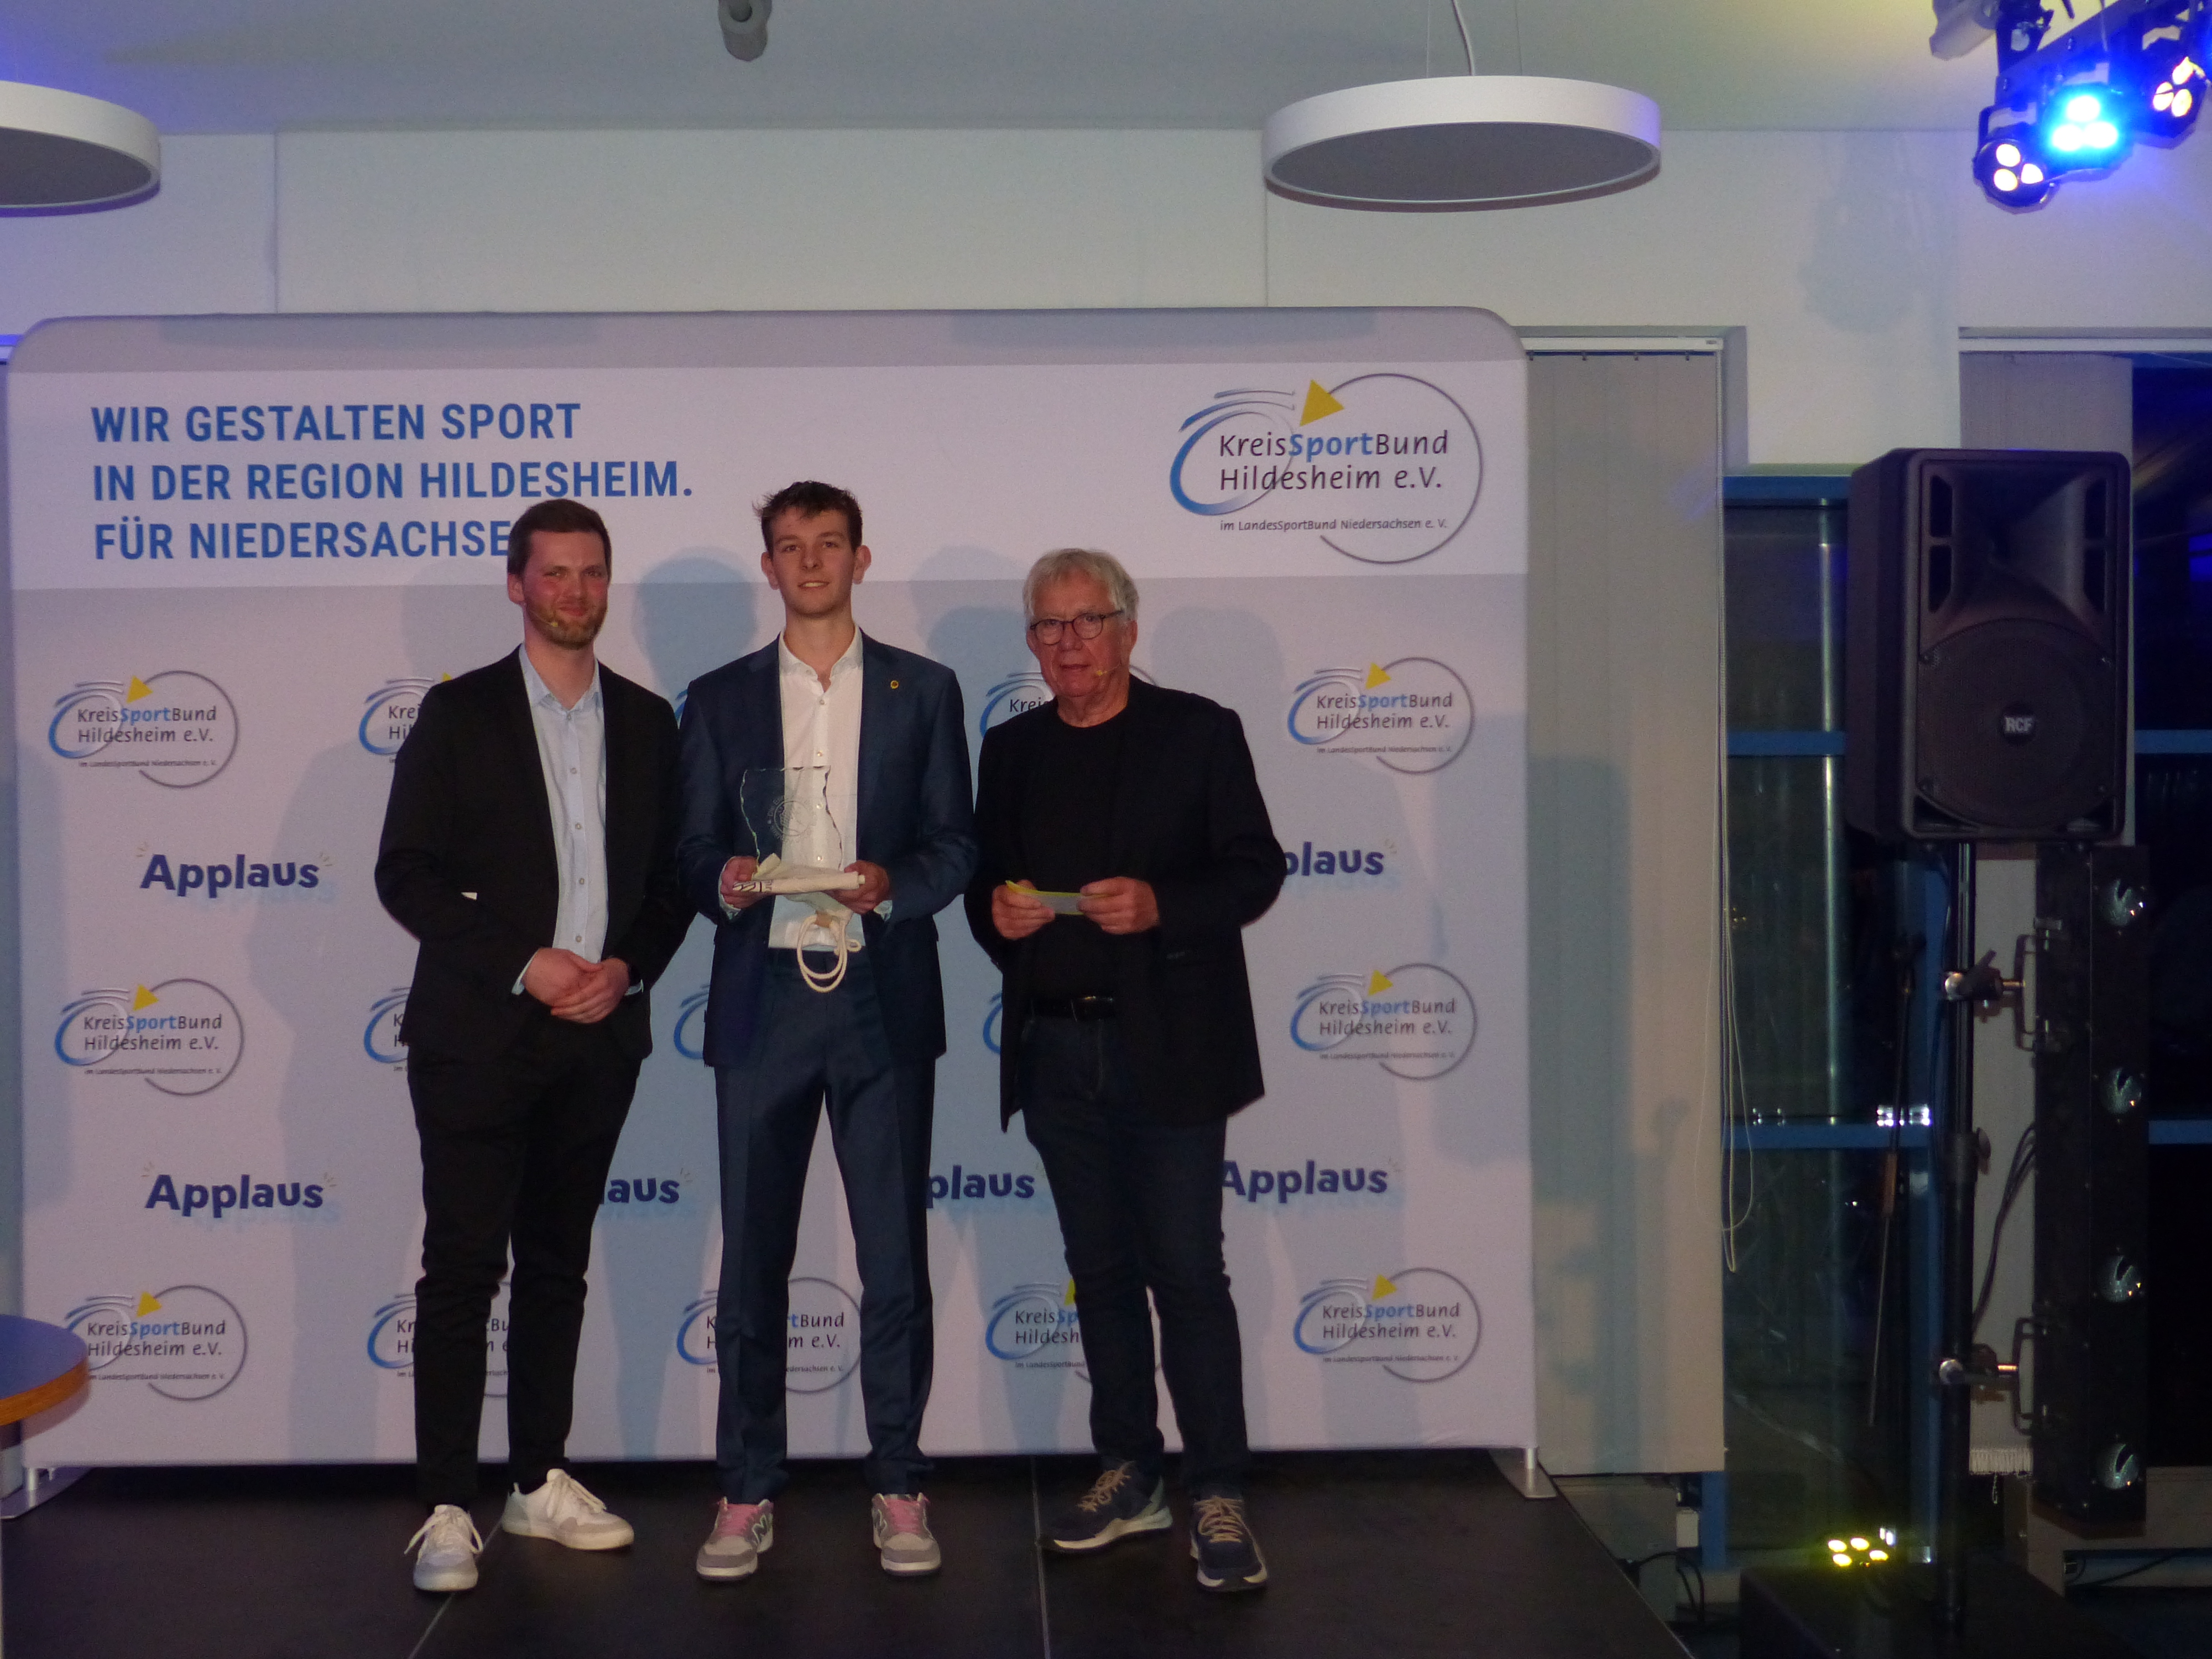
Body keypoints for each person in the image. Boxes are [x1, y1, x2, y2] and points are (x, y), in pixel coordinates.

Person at [376, 498, 692, 1593]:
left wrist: (626, 968)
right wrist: (526, 961)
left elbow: (671, 886)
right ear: (517, 585)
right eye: (553, 573)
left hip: (599, 1039)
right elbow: (405, 874)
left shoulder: (648, 722)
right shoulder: (458, 714)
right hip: (477, 1039)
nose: (574, 592)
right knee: (464, 1269)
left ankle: (538, 1477)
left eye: (591, 573)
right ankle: (445, 1506)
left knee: (558, 1265)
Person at [963, 548, 1284, 1593]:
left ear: (1128, 630)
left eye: (1087, 622)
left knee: (1187, 1275)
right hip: (1055, 1050)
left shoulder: (1199, 731)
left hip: (1172, 1050)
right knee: (1099, 1274)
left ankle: (1219, 1489)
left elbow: (1255, 869)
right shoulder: (1010, 748)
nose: (1068, 644)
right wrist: (998, 918)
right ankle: (1130, 1470)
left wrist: (1162, 906)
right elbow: (983, 892)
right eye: (1048, 627)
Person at [677, 481, 977, 1582]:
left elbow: (955, 844)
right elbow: (685, 849)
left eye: (829, 543)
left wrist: (891, 885)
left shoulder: (923, 690)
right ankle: (747, 1487)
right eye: (791, 546)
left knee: (893, 1259)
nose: (810, 562)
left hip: (879, 1000)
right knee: (754, 1260)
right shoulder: (718, 698)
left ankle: (898, 1481)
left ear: (861, 559)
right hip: (762, 1003)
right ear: (769, 567)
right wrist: (720, 878)